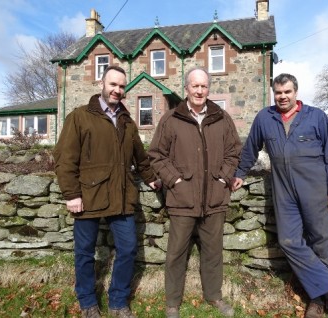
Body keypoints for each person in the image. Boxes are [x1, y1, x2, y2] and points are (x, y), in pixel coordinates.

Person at [230, 73, 328, 318]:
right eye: (278, 92)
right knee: (288, 242)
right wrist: (240, 173)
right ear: (273, 93)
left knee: (320, 241)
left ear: (295, 92)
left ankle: (319, 300)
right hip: (283, 189)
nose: (282, 97)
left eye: (287, 92)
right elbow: (250, 148)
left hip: (315, 188)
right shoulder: (265, 118)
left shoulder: (316, 116)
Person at [54, 65, 161, 318]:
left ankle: (118, 303)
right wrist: (71, 195)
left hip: (121, 195)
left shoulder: (127, 121)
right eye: (113, 84)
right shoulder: (79, 117)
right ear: (102, 84)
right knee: (84, 253)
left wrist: (152, 180)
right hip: (87, 196)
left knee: (128, 248)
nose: (117, 90)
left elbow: (141, 158)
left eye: (122, 86)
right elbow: (64, 159)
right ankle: (88, 303)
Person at [148, 66, 242, 318]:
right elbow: (156, 155)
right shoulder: (171, 119)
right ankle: (172, 302)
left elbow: (234, 151)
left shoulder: (222, 118)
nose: (199, 90)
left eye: (203, 86)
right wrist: (175, 180)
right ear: (186, 88)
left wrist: (223, 177)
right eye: (195, 85)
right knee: (176, 253)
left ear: (208, 89)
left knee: (213, 252)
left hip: (214, 199)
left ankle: (214, 297)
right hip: (182, 200)